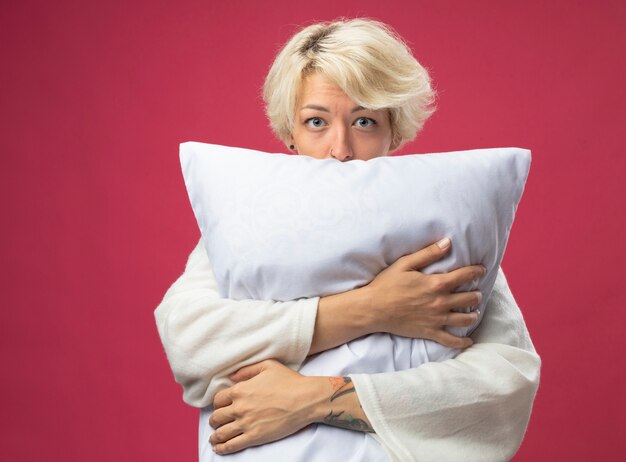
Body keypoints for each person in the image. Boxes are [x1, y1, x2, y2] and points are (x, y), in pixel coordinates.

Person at [155, 18, 540, 462]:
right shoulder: (250, 232)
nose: (340, 149)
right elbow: (189, 340)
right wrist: (372, 309)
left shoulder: (444, 239)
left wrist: (316, 399)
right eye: (316, 121)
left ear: (393, 133)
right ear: (290, 135)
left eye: (364, 121)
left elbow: (503, 381)